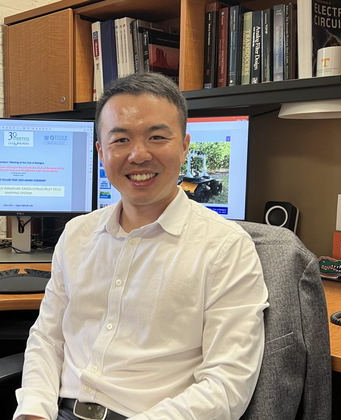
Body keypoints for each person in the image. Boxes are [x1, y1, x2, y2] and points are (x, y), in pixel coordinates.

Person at [14, 73, 268, 420]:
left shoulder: (226, 248)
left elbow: (227, 386)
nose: (138, 155)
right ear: (101, 152)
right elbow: (47, 338)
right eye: (121, 140)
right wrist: (33, 411)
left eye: (157, 137)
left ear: (184, 146)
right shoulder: (76, 234)